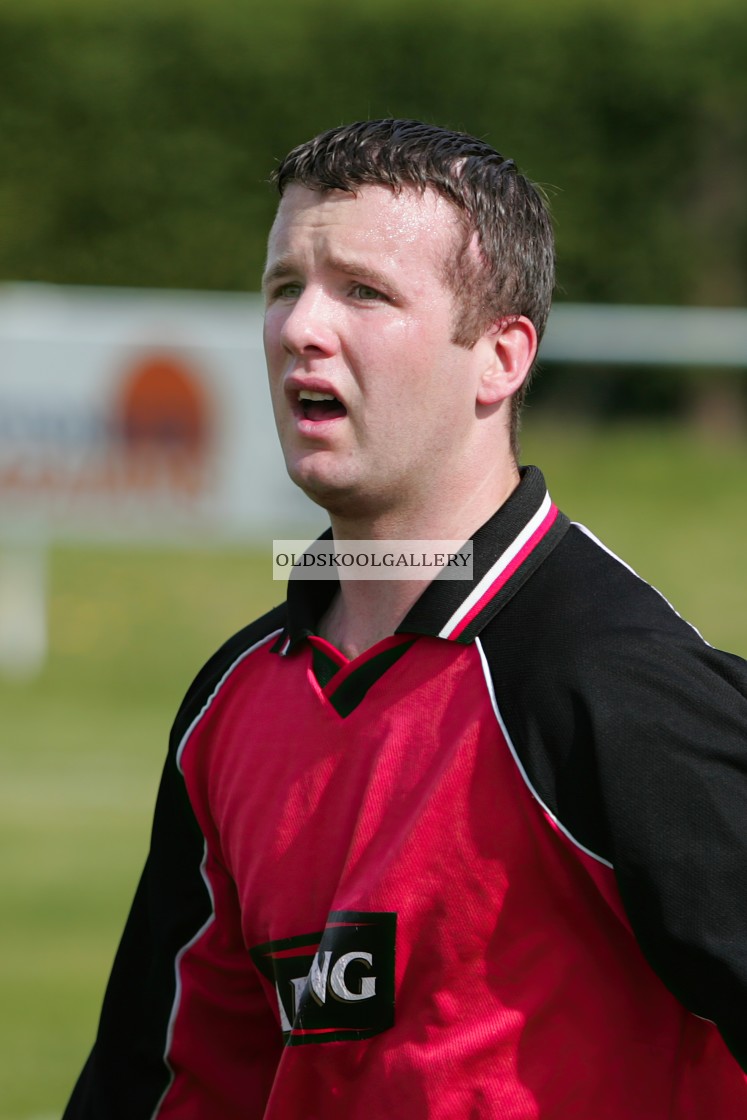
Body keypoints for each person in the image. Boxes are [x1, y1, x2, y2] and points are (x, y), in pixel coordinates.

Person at [64, 119, 747, 1119]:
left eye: (366, 293)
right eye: (285, 285)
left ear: (501, 357)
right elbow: (172, 1082)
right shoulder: (231, 702)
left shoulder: (610, 678)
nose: (303, 326)